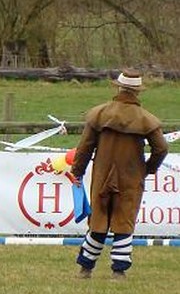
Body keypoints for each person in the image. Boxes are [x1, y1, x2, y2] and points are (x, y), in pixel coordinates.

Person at [71, 68, 168, 281]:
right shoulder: (146, 120)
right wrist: (148, 168)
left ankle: (85, 268)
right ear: (138, 92)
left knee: (98, 220)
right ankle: (119, 271)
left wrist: (77, 171)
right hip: (131, 178)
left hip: (102, 176)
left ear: (118, 87)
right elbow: (161, 148)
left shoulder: (99, 114)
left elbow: (85, 148)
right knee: (124, 221)